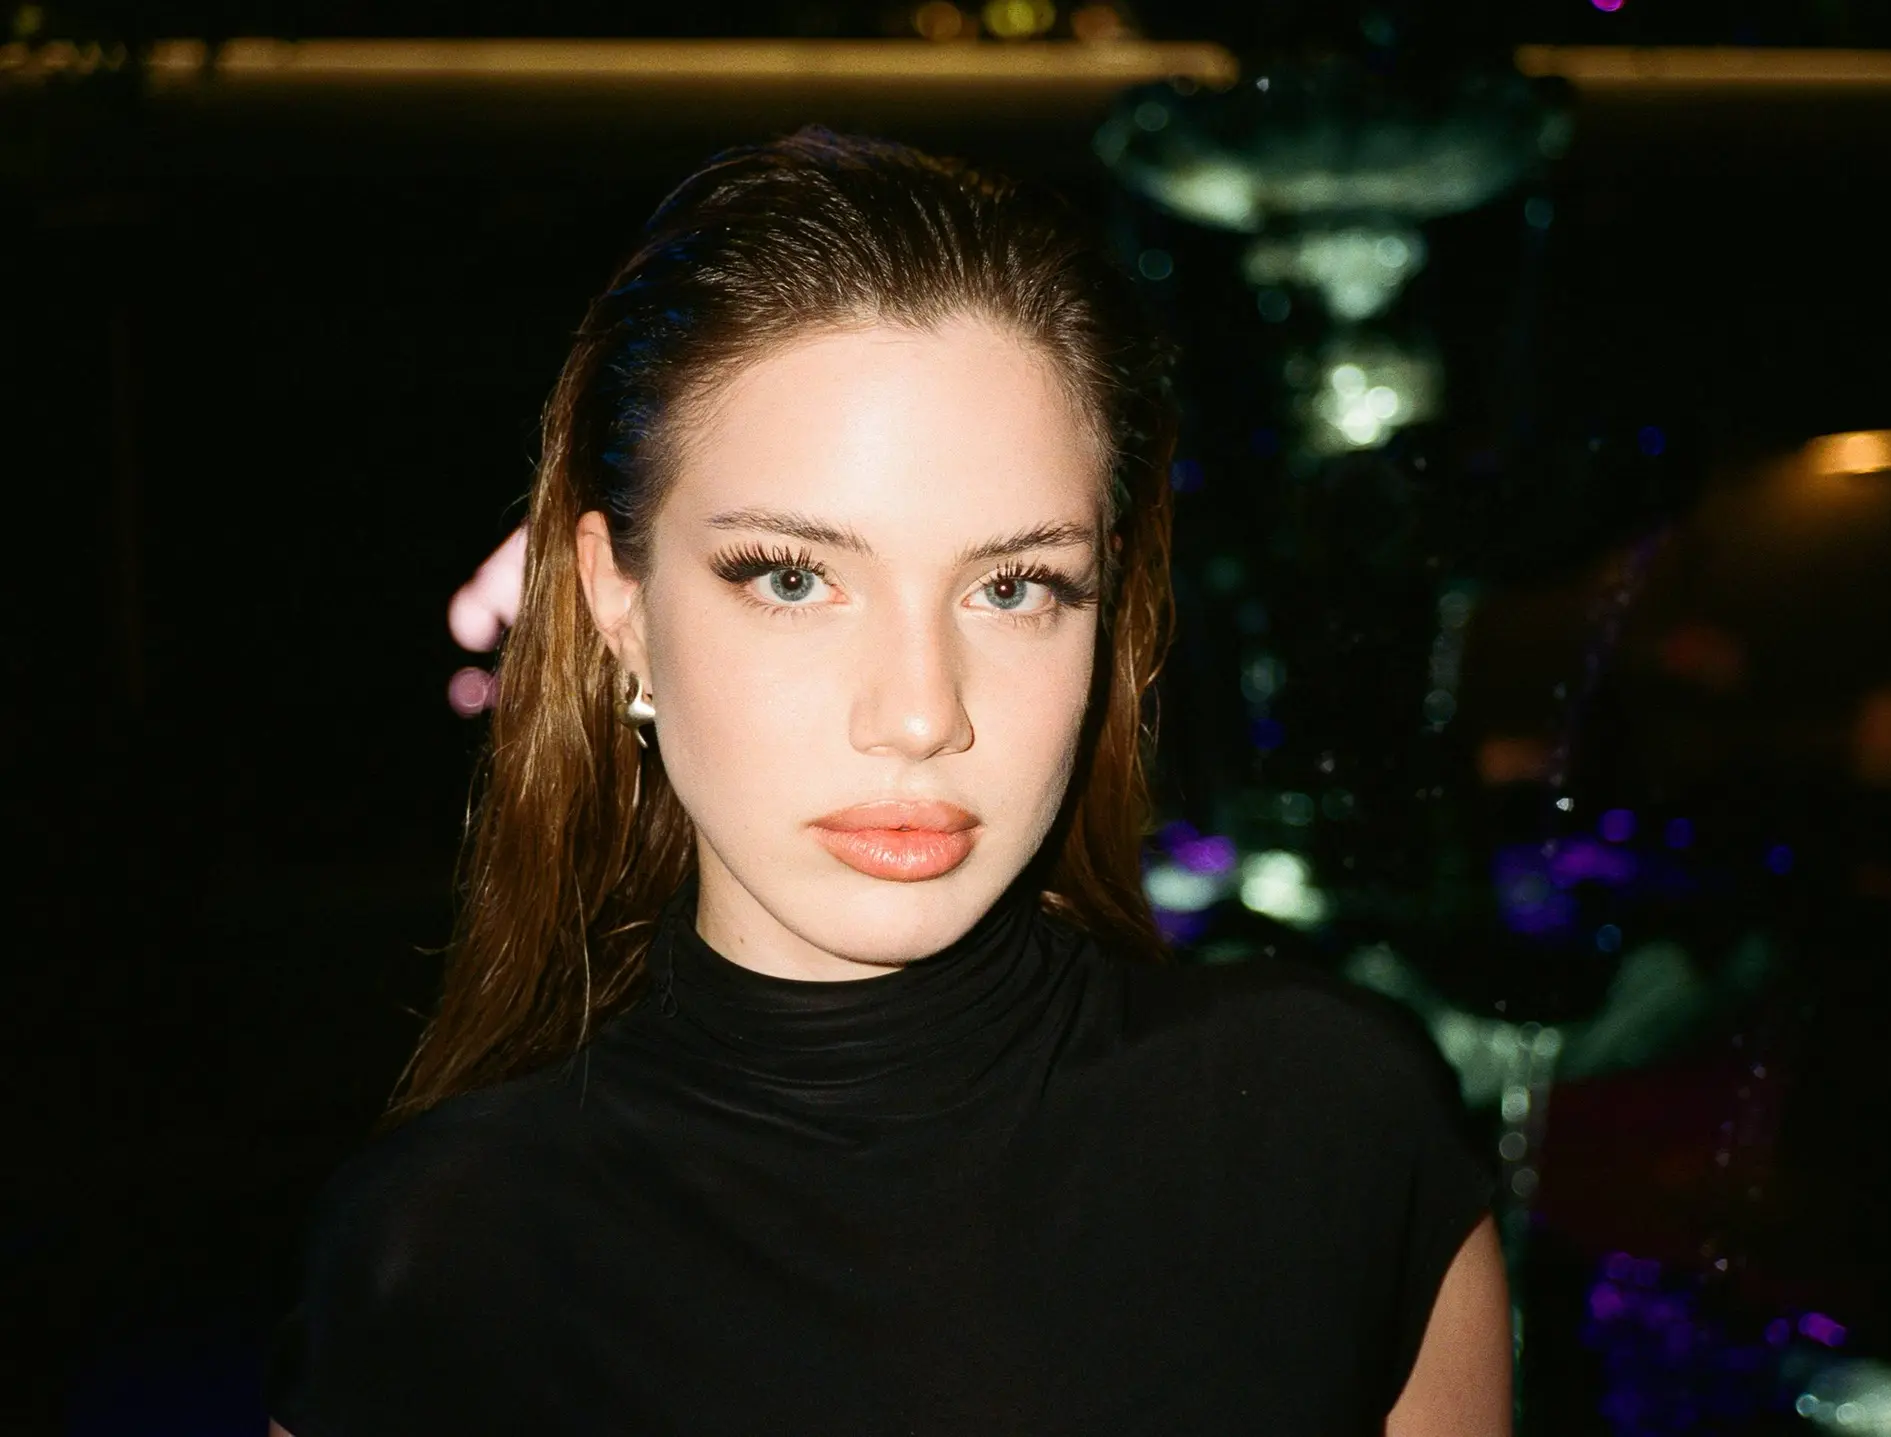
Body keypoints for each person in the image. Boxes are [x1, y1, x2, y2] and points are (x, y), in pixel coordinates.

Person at [268, 127, 1509, 1437]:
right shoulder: (446, 1256)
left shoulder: (1329, 1130)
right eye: (793, 578)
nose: (921, 715)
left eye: (1014, 587)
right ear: (616, 602)